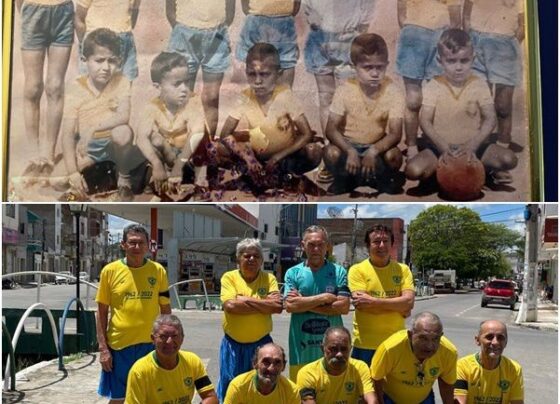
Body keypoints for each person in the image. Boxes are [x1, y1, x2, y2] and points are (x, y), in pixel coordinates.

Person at [406, 28, 518, 186]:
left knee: (509, 159)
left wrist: (473, 145)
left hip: (474, 147)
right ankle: (443, 171)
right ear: (440, 61)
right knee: (413, 171)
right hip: (441, 148)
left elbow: (490, 118)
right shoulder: (433, 85)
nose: (458, 67)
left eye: (464, 61)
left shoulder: (478, 84)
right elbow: (425, 121)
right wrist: (443, 147)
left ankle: (483, 169)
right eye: (451, 61)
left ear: (473, 58)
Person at [219, 43, 322, 192]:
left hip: (285, 156)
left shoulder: (286, 96)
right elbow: (225, 134)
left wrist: (278, 157)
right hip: (256, 156)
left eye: (265, 74)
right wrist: (249, 158)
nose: (258, 81)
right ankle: (253, 172)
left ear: (278, 74)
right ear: (246, 73)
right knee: (216, 149)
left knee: (314, 151)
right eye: (252, 74)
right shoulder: (244, 97)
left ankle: (289, 174)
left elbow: (306, 133)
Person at [61, 28, 146, 201]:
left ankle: (124, 177)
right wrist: (73, 173)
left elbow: (124, 116)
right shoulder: (76, 88)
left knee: (123, 132)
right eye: (99, 61)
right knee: (65, 179)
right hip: (89, 148)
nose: (106, 68)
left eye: (112, 61)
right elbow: (68, 134)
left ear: (120, 61)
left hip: (114, 145)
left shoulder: (121, 81)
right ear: (85, 60)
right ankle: (95, 173)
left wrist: (94, 128)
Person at [301, 0, 376, 184]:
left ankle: (354, 153)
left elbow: (368, 6)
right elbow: (307, 5)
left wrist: (361, 33)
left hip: (349, 38)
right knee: (326, 97)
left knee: (350, 99)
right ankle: (331, 154)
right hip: (320, 38)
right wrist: (314, 20)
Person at [96, 224, 171, 404]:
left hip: (150, 346)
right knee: (119, 398)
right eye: (132, 243)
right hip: (119, 346)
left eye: (141, 243)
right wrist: (103, 349)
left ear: (147, 246)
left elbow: (166, 309)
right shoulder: (110, 271)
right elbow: (101, 312)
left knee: (151, 395)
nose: (137, 247)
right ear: (123, 245)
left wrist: (168, 341)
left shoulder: (158, 271)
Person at [323, 33, 405, 195]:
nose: (375, 73)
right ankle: (344, 180)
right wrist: (350, 151)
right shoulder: (345, 90)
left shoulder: (393, 91)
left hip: (375, 146)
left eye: (380, 67)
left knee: (394, 155)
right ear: (354, 68)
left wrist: (374, 150)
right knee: (331, 153)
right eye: (367, 67)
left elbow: (395, 134)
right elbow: (331, 130)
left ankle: (380, 180)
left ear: (387, 65)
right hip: (349, 146)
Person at [463, 0, 525, 182]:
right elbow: (466, 15)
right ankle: (480, 159)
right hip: (477, 42)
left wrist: (512, 42)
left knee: (503, 106)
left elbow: (523, 23)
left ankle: (500, 156)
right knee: (479, 105)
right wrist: (469, 42)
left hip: (505, 46)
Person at [216, 238, 283, 402]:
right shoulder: (229, 277)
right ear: (238, 259)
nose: (252, 259)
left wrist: (245, 299)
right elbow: (230, 306)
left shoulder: (269, 279)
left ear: (261, 260)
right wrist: (263, 303)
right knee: (230, 384)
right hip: (233, 344)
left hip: (262, 344)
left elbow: (277, 307)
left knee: (262, 385)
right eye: (247, 256)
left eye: (256, 256)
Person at [395, 0, 461, 163]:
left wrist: (443, 41)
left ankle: (436, 143)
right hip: (412, 36)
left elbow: (455, 20)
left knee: (439, 95)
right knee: (413, 99)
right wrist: (413, 31)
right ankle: (412, 146)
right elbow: (402, 15)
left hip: (440, 37)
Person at [284, 225, 351, 381]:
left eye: (320, 244)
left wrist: (303, 302)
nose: (316, 249)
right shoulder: (293, 273)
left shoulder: (339, 272)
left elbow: (344, 307)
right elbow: (290, 306)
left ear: (327, 246)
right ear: (303, 246)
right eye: (311, 244)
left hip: (333, 351)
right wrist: (325, 298)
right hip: (301, 347)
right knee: (302, 394)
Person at [135, 52, 207, 195]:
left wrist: (179, 165)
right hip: (170, 158)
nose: (184, 88)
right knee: (154, 139)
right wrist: (156, 163)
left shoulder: (192, 101)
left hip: (189, 158)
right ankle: (160, 175)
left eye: (186, 81)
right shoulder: (152, 107)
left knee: (201, 137)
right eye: (177, 84)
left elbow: (197, 133)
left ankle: (201, 182)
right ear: (158, 86)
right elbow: (141, 138)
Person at [16, 0, 74, 177]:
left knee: (55, 87)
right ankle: (34, 156)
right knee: (33, 87)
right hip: (34, 12)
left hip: (63, 12)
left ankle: (48, 155)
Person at [165, 0, 236, 136]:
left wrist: (218, 28)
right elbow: (170, 10)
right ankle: (181, 146)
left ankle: (207, 147)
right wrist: (181, 29)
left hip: (216, 34)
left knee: (212, 96)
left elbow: (230, 11)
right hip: (184, 34)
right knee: (182, 95)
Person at [348, 224, 415, 366]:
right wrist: (398, 306)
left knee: (393, 388)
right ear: (368, 245)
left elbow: (409, 302)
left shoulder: (402, 270)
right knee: (365, 388)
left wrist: (373, 301)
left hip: (396, 344)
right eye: (376, 242)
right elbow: (362, 305)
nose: (381, 245)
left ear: (392, 244)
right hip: (365, 345)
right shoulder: (357, 270)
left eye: (386, 241)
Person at [125, 314, 218, 403]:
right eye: (163, 337)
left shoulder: (192, 361)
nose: (169, 342)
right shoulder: (139, 372)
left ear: (182, 338)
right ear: (153, 339)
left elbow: (211, 397)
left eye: (174, 336)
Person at [370, 312, 457, 404]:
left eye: (435, 339)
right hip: (390, 398)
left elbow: (447, 384)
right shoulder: (390, 349)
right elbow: (376, 379)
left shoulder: (448, 352)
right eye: (423, 338)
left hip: (424, 399)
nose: (429, 346)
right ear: (410, 335)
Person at [297, 326, 376, 404]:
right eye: (333, 349)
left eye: (344, 349)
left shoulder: (360, 368)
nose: (339, 354)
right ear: (322, 348)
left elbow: (371, 400)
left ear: (350, 349)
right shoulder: (308, 373)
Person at [454, 320, 524, 404]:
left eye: (500, 338)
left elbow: (517, 402)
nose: (495, 342)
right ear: (477, 340)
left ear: (506, 342)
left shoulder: (514, 369)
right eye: (489, 337)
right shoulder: (463, 366)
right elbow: (459, 400)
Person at [236, 0, 301, 87]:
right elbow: (296, 6)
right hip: (280, 18)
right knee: (286, 61)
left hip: (261, 17)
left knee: (285, 62)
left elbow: (245, 6)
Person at [75, 0, 141, 81]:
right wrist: (86, 44)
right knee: (92, 88)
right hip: (97, 40)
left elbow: (134, 11)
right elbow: (79, 18)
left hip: (124, 37)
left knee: (124, 88)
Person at [224, 343, 300, 404]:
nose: (271, 368)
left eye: (277, 362)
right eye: (266, 362)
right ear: (255, 364)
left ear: (283, 366)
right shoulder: (238, 387)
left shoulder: (291, 392)